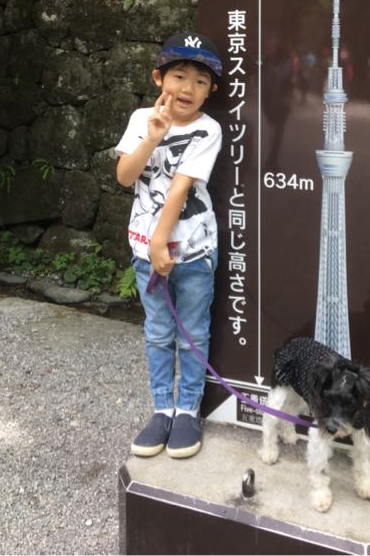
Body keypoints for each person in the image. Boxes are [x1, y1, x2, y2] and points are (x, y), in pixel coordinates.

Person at [115, 31, 223, 459]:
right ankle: (161, 408)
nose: (188, 88)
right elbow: (125, 176)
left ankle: (187, 410)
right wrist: (152, 137)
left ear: (210, 91)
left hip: (192, 251)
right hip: (145, 251)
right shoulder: (142, 118)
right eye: (179, 76)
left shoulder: (207, 129)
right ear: (158, 78)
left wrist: (163, 243)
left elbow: (180, 189)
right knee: (158, 332)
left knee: (192, 333)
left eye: (200, 81)